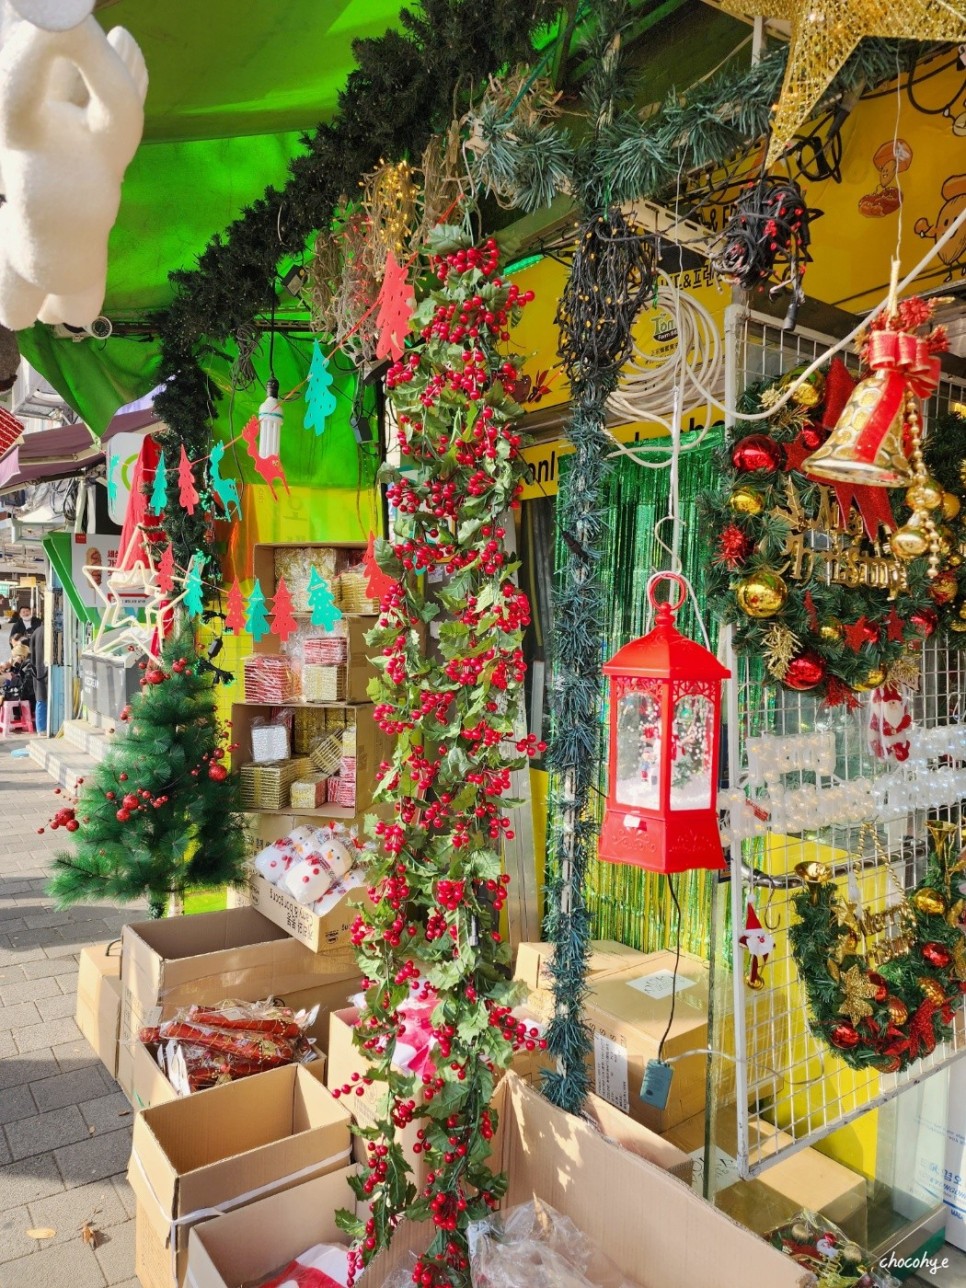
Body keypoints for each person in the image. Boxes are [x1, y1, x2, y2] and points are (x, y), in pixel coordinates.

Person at [29, 614, 47, 734]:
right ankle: (44, 727)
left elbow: (31, 651)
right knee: (45, 699)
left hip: (37, 668)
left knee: (40, 699)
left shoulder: (36, 631)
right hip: (48, 669)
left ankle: (41, 728)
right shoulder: (51, 632)